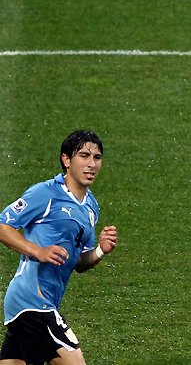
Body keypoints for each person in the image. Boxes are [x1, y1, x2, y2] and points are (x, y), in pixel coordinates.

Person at [0, 130, 118, 364]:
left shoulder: (91, 207)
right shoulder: (46, 193)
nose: (91, 164)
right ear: (66, 160)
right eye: (84, 156)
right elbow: (3, 225)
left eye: (97, 157)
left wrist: (100, 251)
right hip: (32, 301)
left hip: (40, 303)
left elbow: (79, 262)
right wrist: (39, 251)